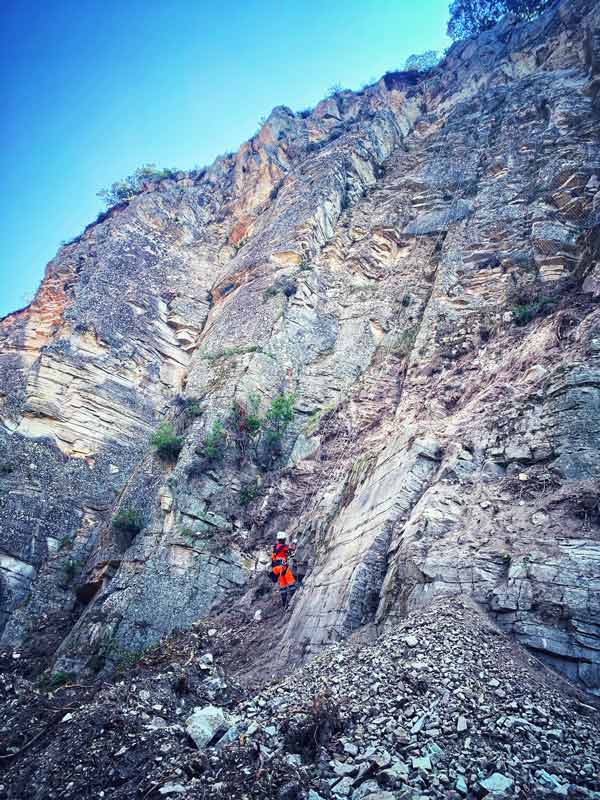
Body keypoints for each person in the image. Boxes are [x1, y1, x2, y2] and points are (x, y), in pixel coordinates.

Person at [271, 531, 297, 608]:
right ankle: (293, 599)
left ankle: (284, 604)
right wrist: (295, 543)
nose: (285, 540)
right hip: (282, 567)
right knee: (291, 582)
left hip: (276, 569)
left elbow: (282, 555)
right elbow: (292, 549)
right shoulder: (283, 546)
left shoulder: (275, 547)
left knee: (283, 586)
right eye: (284, 539)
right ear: (283, 539)